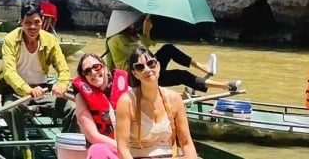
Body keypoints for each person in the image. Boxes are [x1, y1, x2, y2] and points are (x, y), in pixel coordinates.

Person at [0, 1, 74, 135]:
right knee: (10, 110)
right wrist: (28, 90)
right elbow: (9, 72)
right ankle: (23, 148)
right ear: (21, 22)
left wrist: (61, 85)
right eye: (28, 23)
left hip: (42, 90)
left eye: (37, 22)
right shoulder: (10, 40)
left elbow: (64, 69)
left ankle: (66, 145)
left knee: (72, 109)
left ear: (42, 22)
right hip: (15, 91)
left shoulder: (50, 40)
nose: (33, 27)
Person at [105, 11, 233, 94]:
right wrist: (145, 30)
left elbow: (146, 51)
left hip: (145, 67)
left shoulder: (129, 35)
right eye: (130, 21)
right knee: (180, 74)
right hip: (135, 77)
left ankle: (204, 67)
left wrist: (146, 31)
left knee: (168, 49)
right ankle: (224, 85)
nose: (133, 23)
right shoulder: (116, 39)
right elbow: (140, 53)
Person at [115, 47, 198, 159]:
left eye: (151, 64)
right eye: (140, 67)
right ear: (135, 74)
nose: (147, 69)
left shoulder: (174, 99)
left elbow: (186, 143)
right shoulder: (127, 101)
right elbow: (122, 148)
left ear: (158, 66)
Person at [68, 52, 130, 159]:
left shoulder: (125, 88)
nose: (93, 72)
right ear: (84, 77)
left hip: (131, 145)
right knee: (97, 150)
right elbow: (93, 136)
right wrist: (123, 149)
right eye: (87, 71)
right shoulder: (81, 98)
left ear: (105, 68)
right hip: (107, 148)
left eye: (96, 67)